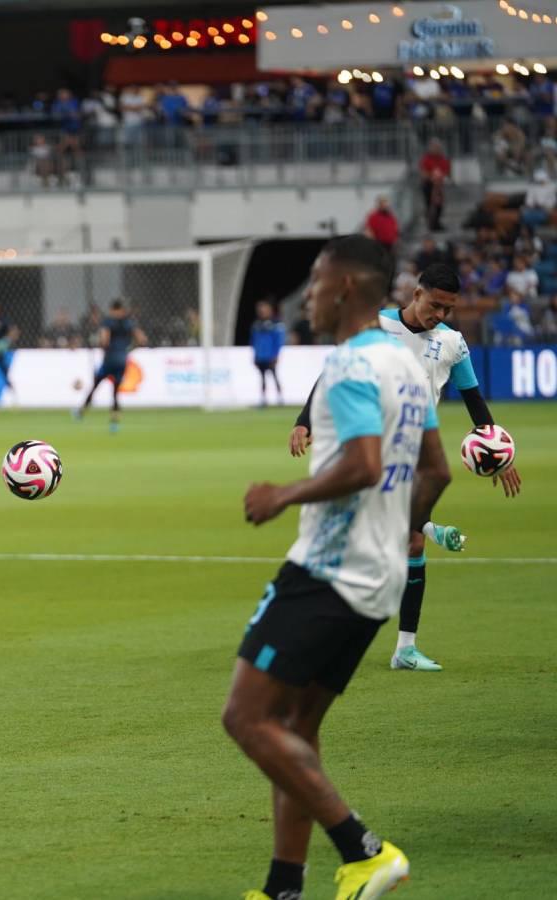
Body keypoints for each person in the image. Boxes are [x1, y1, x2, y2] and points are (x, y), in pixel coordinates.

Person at [225, 234, 452, 900]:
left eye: (317, 283)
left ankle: (363, 849)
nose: (309, 297)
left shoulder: (353, 363)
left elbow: (362, 464)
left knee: (246, 718)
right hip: (380, 575)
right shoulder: (408, 363)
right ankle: (283, 888)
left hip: (327, 570)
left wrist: (282, 494)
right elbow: (435, 468)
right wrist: (398, 530)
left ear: (346, 287)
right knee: (296, 730)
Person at [290, 263, 521, 672]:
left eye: (448, 309)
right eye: (435, 305)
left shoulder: (453, 343)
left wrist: (498, 455)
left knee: (411, 544)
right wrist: (305, 420)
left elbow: (473, 399)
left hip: (414, 451)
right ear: (416, 295)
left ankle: (405, 649)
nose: (440, 315)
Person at [75, 299, 147, 430]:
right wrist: (129, 349)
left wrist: (102, 347)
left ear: (112, 309)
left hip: (109, 360)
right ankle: (114, 422)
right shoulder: (129, 322)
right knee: (115, 391)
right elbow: (142, 339)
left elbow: (104, 340)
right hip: (122, 359)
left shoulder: (108, 321)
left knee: (96, 385)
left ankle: (81, 412)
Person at [250, 300, 286, 407]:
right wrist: (255, 355)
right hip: (260, 356)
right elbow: (253, 341)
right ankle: (263, 399)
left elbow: (278, 341)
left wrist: (275, 355)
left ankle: (280, 398)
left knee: (274, 376)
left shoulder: (275, 324)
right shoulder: (256, 325)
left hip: (270, 356)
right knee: (262, 378)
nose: (262, 312)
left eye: (264, 309)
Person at [419, 139, 450, 232]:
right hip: (428, 185)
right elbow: (423, 172)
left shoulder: (443, 159)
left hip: (439, 185)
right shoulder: (426, 159)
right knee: (429, 205)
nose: (436, 149)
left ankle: (437, 223)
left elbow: (446, 171)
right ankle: (431, 224)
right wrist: (432, 177)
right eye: (434, 147)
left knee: (439, 205)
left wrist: (440, 177)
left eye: (438, 147)